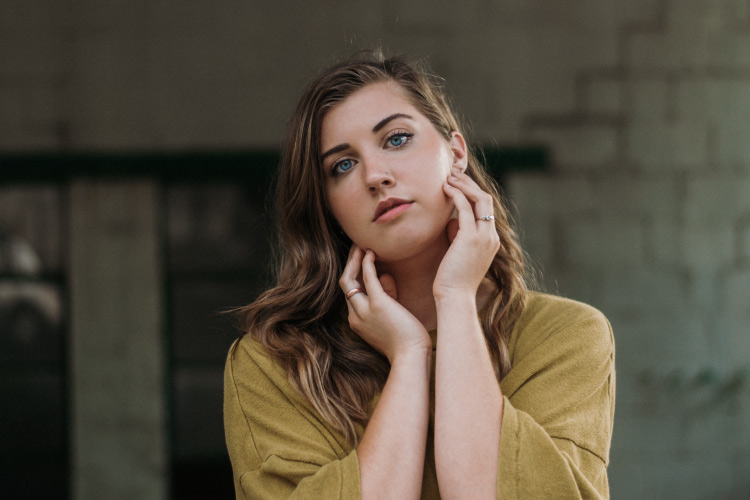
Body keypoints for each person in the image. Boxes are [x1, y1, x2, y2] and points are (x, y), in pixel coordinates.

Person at [224, 51, 615, 500]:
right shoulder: (275, 362)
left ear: (456, 153)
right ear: (327, 206)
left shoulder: (566, 338)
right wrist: (409, 355)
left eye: (396, 139)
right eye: (342, 165)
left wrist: (455, 297)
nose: (375, 175)